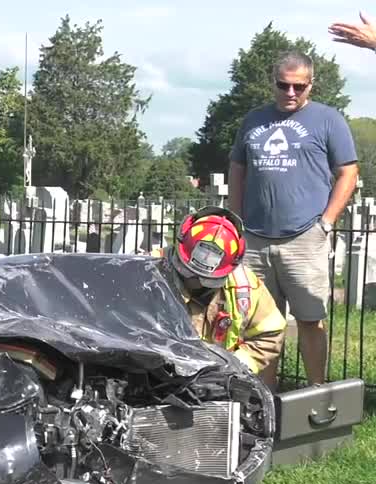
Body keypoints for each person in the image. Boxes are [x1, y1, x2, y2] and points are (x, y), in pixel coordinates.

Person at [227, 50, 359, 390]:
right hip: (255, 239)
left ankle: (317, 395)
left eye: (298, 87)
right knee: (259, 325)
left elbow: (348, 172)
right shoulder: (254, 120)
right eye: (283, 85)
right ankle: (263, 401)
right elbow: (238, 170)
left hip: (304, 237)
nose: (290, 93)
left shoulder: (328, 120)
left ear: (311, 85)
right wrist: (236, 222)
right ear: (272, 82)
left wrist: (326, 222)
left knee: (310, 321)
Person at [151, 206, 287, 376]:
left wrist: (232, 368)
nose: (195, 283)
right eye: (188, 273)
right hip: (153, 377)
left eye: (205, 279)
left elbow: (270, 334)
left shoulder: (245, 287)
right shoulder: (147, 272)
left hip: (216, 383)